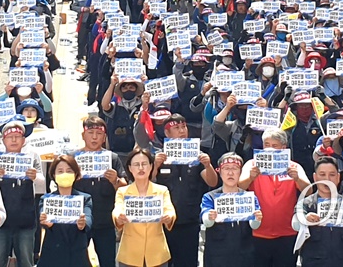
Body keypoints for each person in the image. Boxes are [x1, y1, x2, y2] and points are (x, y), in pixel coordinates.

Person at [151, 114, 217, 267]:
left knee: (188, 262)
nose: (182, 131)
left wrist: (208, 165)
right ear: (167, 133)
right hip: (164, 221)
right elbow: (148, 183)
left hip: (189, 220)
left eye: (183, 127)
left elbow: (212, 182)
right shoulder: (159, 156)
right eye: (176, 128)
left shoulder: (197, 155)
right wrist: (155, 165)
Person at [238, 128, 310, 266]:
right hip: (258, 232)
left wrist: (297, 179)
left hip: (287, 233)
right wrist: (251, 177)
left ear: (284, 148)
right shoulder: (252, 164)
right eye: (267, 145)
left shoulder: (293, 166)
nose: (269, 149)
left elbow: (309, 191)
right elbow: (240, 187)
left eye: (275, 146)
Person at [0, 120, 44, 267]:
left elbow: (42, 185)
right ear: (3, 140)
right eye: (10, 137)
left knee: (26, 261)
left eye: (17, 136)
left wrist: (35, 177)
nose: (14, 140)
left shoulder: (32, 157)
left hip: (26, 220)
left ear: (23, 140)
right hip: (0, 221)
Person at [72, 117, 125, 267]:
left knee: (108, 261)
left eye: (98, 134)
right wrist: (72, 179)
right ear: (83, 136)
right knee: (77, 261)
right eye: (90, 133)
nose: (94, 137)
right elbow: (60, 185)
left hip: (105, 220)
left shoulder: (112, 158)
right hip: (79, 220)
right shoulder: (73, 158)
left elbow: (124, 188)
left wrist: (115, 180)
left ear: (104, 137)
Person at [112, 148, 177, 267]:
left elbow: (169, 208)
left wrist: (169, 217)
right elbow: (117, 209)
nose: (141, 168)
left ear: (151, 166)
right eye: (136, 165)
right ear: (130, 168)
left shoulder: (162, 190)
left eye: (144, 164)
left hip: (157, 252)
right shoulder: (123, 191)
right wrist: (119, 217)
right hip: (130, 253)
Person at [200, 153, 262, 266]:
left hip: (244, 254)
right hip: (217, 255)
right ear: (219, 171)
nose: (230, 173)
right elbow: (206, 222)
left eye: (235, 169)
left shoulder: (249, 197)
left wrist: (256, 218)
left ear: (240, 172)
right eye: (226, 168)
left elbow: (254, 225)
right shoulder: (209, 197)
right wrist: (209, 217)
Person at [36, 154, 92, 267]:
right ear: (53, 175)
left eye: (69, 171)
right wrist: (46, 223)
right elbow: (42, 218)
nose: (65, 174)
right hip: (52, 256)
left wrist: (83, 224)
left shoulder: (85, 198)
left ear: (76, 174)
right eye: (60, 171)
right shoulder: (46, 199)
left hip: (77, 256)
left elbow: (89, 218)